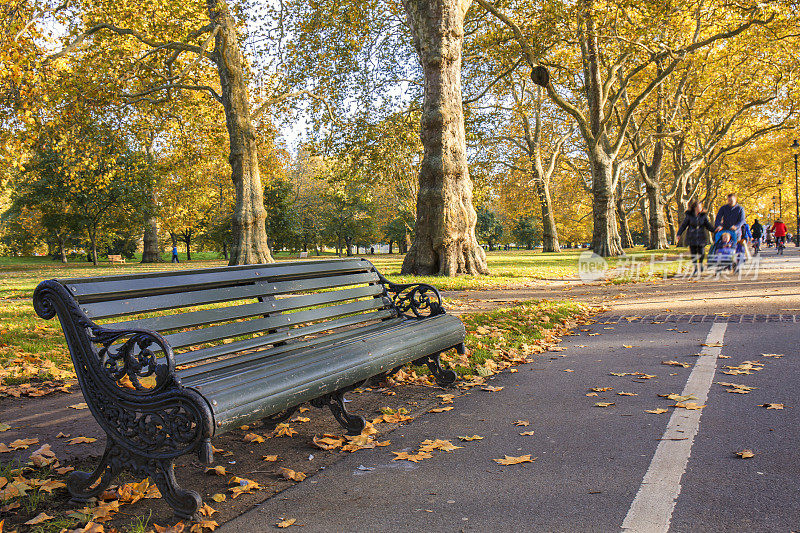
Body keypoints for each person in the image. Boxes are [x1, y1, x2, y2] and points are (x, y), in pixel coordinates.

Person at [676, 200, 715, 276]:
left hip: (701, 236)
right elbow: (684, 225)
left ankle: (700, 265)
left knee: (702, 252)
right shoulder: (689, 216)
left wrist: (715, 230)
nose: (700, 209)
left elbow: (708, 225)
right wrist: (678, 234)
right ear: (694, 208)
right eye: (698, 207)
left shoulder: (704, 216)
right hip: (691, 236)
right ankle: (695, 268)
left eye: (700, 207)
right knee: (693, 253)